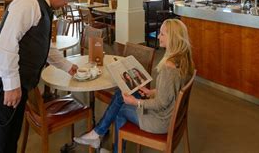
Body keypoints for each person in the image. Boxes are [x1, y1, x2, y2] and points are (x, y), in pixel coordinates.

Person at [0, 0, 77, 153]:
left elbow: (43, 46)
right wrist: (11, 85)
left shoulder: (43, 7)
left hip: (14, 84)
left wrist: (67, 66)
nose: (67, 3)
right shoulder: (29, 3)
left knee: (9, 140)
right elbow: (7, 43)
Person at [73, 19, 195, 152]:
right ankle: (97, 134)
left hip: (160, 121)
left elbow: (161, 104)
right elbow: (171, 92)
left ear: (173, 38)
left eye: (162, 34)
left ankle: (101, 138)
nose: (158, 36)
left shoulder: (169, 67)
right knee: (122, 92)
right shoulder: (183, 59)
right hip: (170, 117)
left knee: (120, 109)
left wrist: (136, 101)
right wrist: (151, 92)